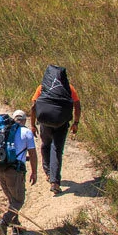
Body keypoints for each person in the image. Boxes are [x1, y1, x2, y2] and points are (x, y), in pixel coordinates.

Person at [29, 65, 82, 195]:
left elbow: (33, 107)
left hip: (45, 122)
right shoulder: (69, 88)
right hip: (62, 123)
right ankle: (55, 182)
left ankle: (48, 172)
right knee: (57, 150)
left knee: (45, 145)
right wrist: (75, 123)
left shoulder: (42, 88)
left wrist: (32, 125)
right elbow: (77, 106)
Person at [0, 110, 38, 235]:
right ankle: (4, 222)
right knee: (19, 200)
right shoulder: (26, 132)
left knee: (12, 199)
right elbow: (33, 154)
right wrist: (34, 172)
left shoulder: (4, 131)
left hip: (1, 168)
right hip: (15, 171)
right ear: (24, 121)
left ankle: (16, 227)